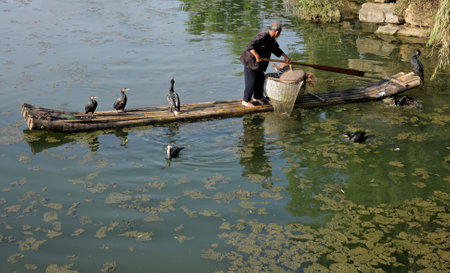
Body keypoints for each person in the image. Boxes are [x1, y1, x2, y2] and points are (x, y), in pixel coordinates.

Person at [240, 22, 291, 107]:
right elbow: (250, 46)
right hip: (251, 62)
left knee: (260, 79)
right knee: (251, 81)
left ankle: (258, 97)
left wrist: (285, 57)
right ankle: (246, 100)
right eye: (280, 33)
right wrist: (256, 55)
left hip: (260, 63)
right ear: (277, 32)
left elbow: (276, 49)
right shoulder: (262, 35)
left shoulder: (272, 40)